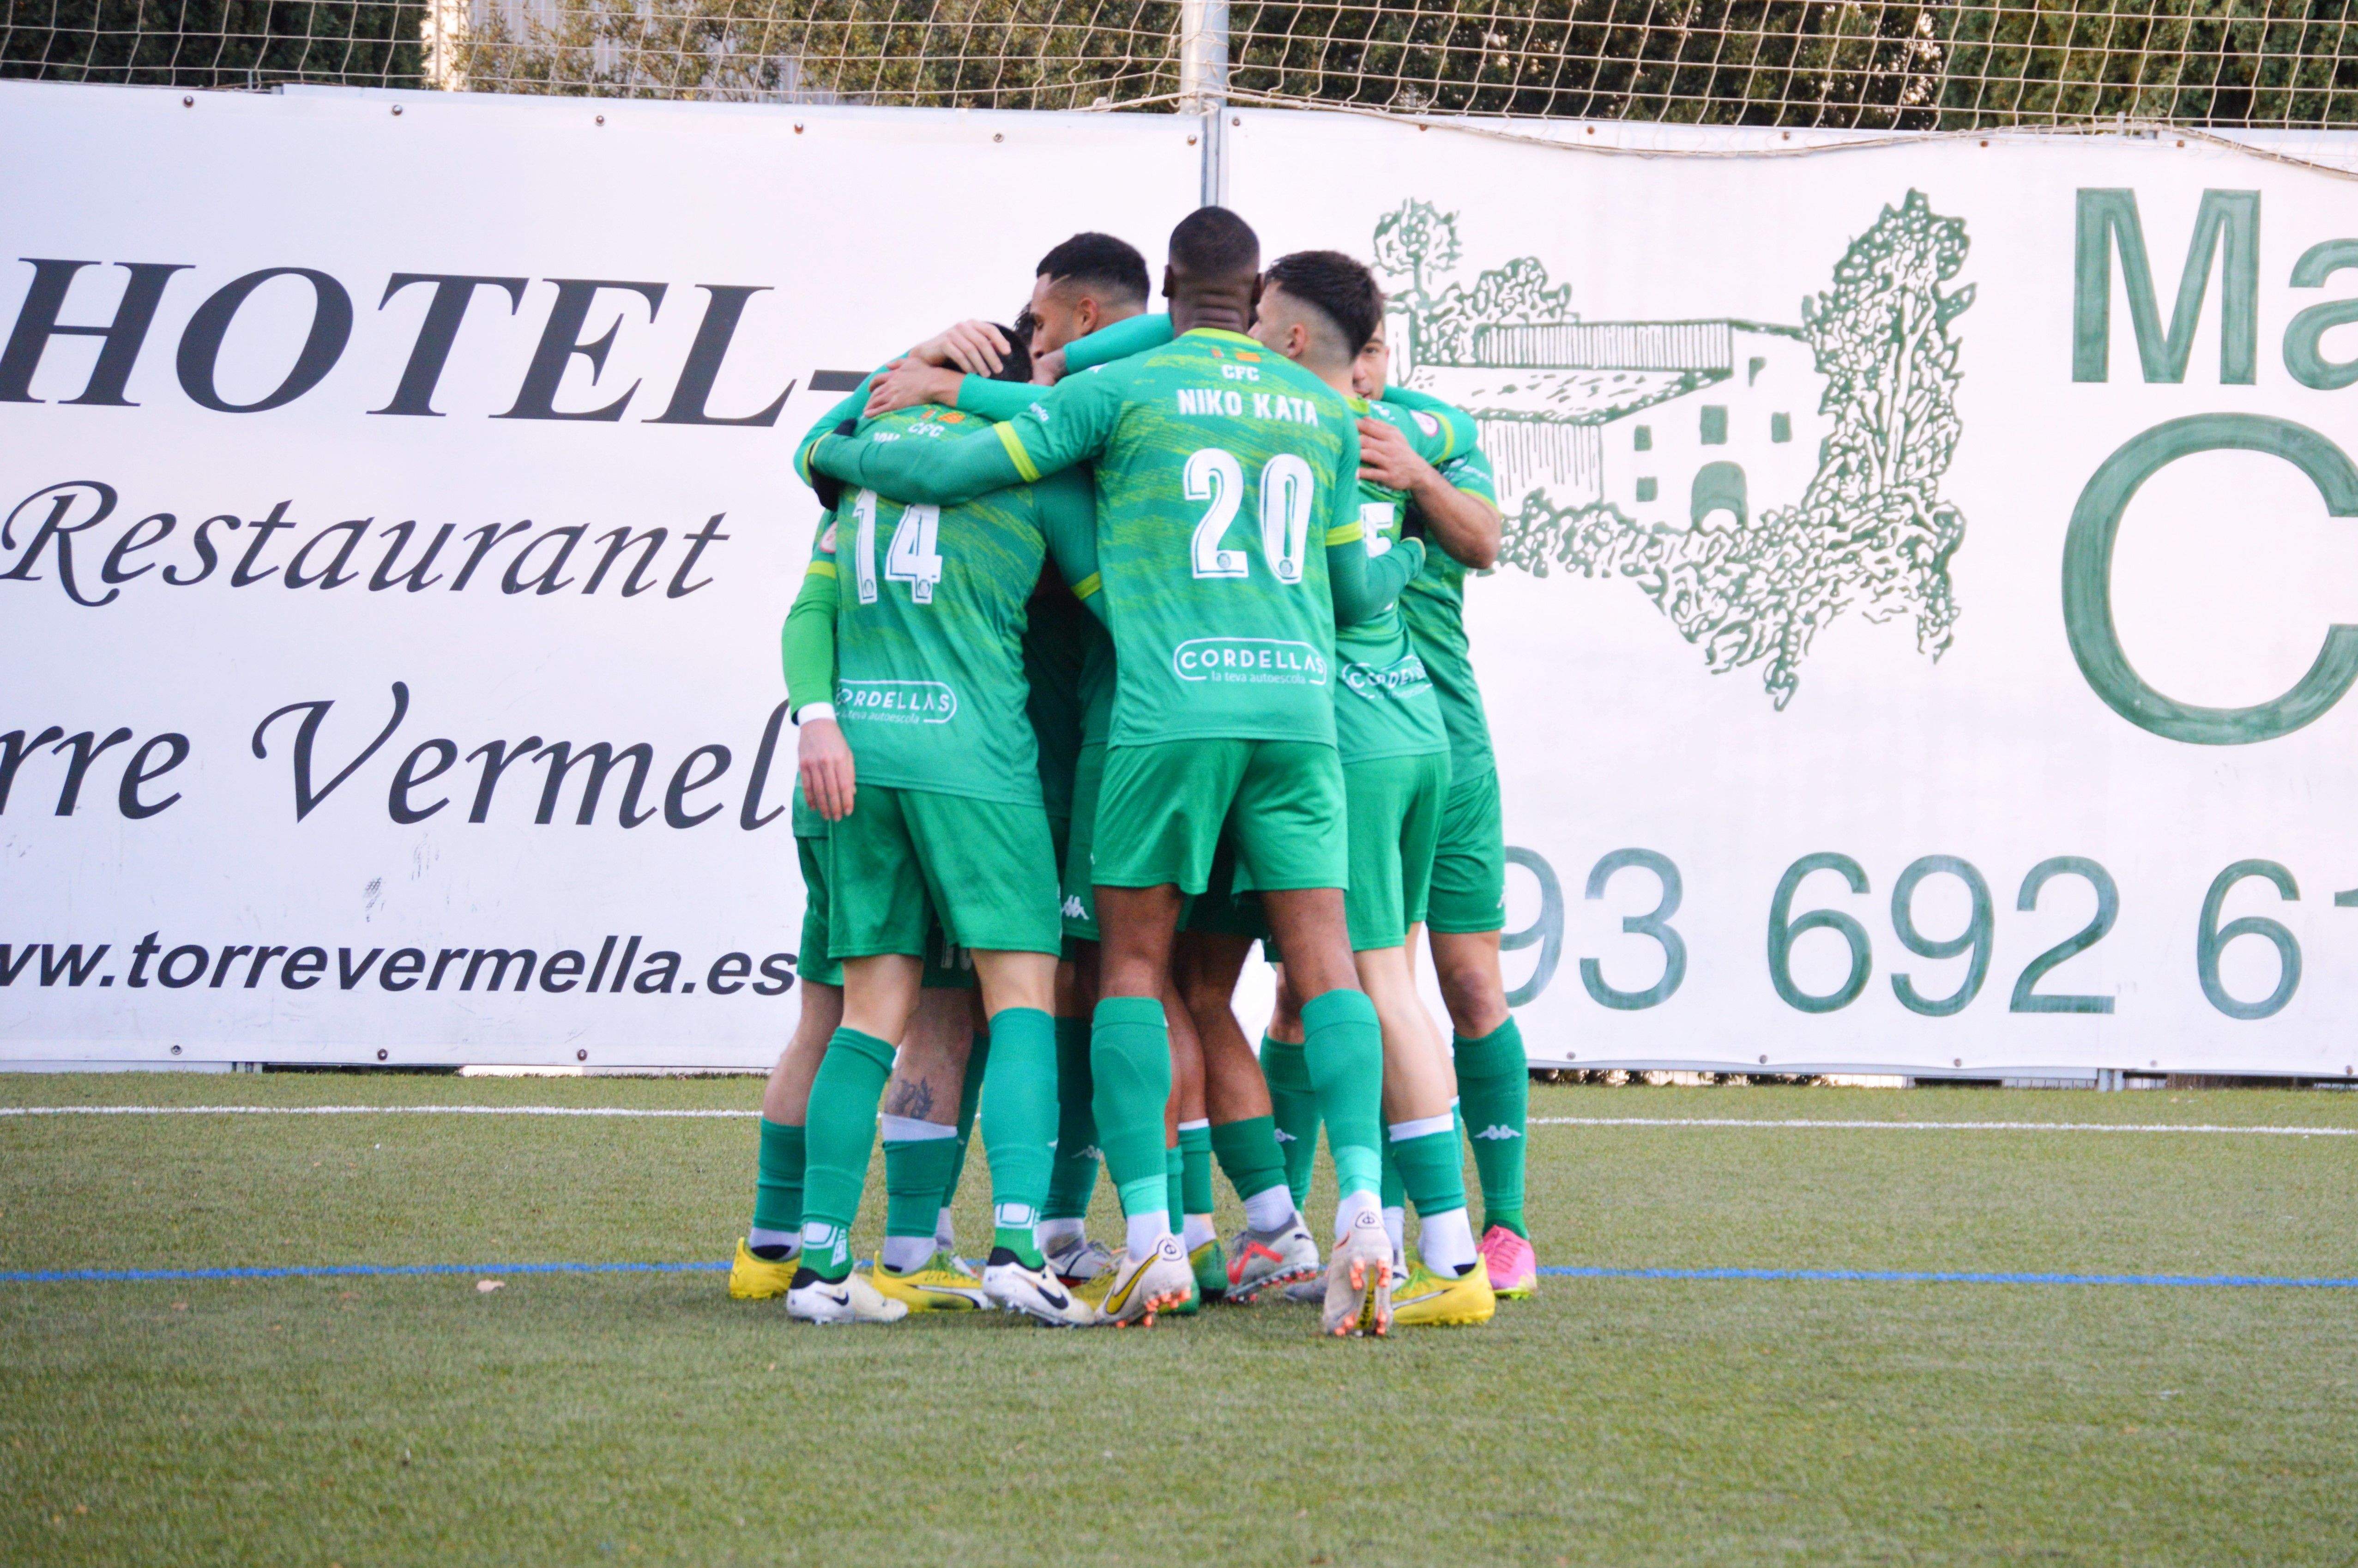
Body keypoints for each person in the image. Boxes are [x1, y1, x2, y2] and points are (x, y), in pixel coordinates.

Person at [803, 208, 1424, 1336]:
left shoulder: (1120, 388)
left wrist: (885, 416)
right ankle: (1367, 1219)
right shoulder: (1326, 411)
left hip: (1164, 710)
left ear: (1169, 285)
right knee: (1325, 968)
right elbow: (1352, 595)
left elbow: (968, 466)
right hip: (1297, 715)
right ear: (1258, 301)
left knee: (1131, 968)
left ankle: (1151, 1241)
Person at [778, 322, 1100, 1327]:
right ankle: (1015, 1248)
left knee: (868, 1017)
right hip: (978, 767)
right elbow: (1111, 603)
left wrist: (817, 716)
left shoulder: (855, 468)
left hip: (864, 759)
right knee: (1022, 1006)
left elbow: (807, 596)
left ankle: (822, 1264)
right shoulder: (1030, 469)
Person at [1249, 255, 1495, 1326]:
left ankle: (1446, 1256)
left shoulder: (1301, 428)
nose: (1245, 336)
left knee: (1380, 991)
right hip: (1412, 732)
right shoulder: (1392, 430)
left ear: (1297, 337)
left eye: (1258, 319)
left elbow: (1352, 584)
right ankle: (1355, 1236)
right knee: (1344, 988)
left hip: (1345, 740)